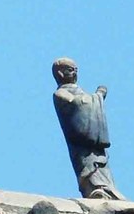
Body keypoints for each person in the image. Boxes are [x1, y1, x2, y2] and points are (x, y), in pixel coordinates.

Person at [51, 57, 124, 200]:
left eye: (76, 70)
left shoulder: (80, 91)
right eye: (70, 70)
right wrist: (98, 96)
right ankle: (96, 190)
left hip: (95, 143)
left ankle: (108, 190)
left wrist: (96, 98)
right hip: (82, 142)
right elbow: (78, 105)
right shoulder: (60, 93)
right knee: (90, 168)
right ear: (60, 74)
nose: (75, 73)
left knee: (102, 166)